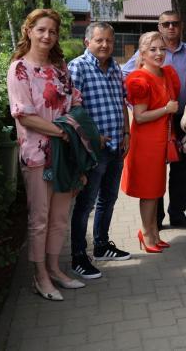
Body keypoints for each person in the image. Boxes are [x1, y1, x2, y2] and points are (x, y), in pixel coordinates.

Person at [7, 8, 85, 301]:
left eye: (52, 31)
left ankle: (55, 269)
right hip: (37, 155)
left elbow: (75, 100)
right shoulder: (19, 69)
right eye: (41, 29)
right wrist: (62, 131)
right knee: (39, 218)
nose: (47, 36)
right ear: (29, 30)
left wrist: (72, 131)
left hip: (64, 153)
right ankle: (39, 277)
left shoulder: (59, 66)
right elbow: (23, 115)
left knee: (60, 216)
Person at [123, 11, 186, 230]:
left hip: (182, 119)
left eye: (175, 23)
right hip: (155, 123)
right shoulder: (147, 51)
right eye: (166, 24)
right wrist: (136, 104)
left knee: (179, 170)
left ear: (181, 26)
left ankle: (177, 214)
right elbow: (127, 77)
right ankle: (154, 221)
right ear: (160, 27)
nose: (171, 27)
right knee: (155, 172)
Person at [67, 22, 131, 280]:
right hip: (94, 150)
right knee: (85, 204)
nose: (105, 45)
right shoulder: (77, 67)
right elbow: (72, 110)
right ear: (87, 42)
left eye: (109, 41)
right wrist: (94, 138)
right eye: (99, 40)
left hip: (117, 146)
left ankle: (102, 245)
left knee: (109, 198)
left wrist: (127, 133)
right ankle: (78, 257)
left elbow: (122, 102)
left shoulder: (115, 67)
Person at [121, 32, 180, 253]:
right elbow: (140, 116)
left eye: (162, 49)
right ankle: (146, 234)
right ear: (143, 53)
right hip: (145, 143)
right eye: (153, 49)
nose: (159, 53)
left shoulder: (166, 74)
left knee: (156, 190)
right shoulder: (140, 79)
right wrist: (166, 109)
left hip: (160, 141)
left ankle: (153, 232)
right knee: (149, 191)